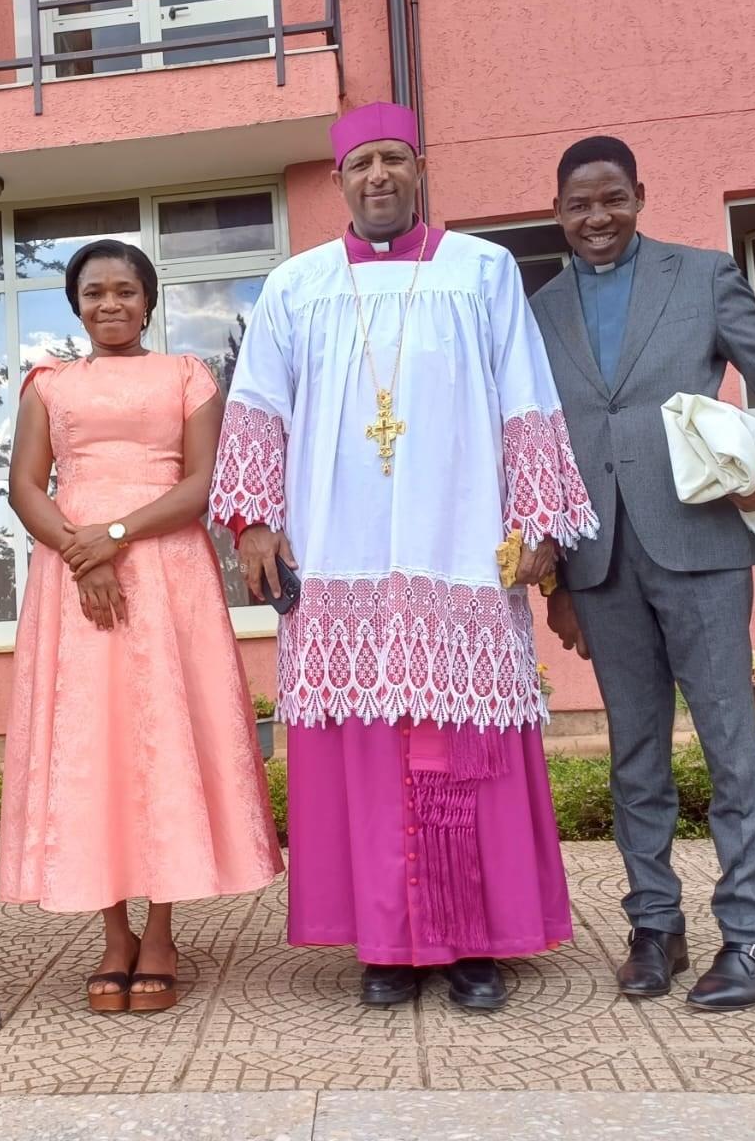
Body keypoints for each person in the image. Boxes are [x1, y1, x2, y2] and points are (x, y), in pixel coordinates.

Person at [210, 103, 598, 1010]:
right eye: (361, 163)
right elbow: (257, 407)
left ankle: (470, 943)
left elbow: (525, 396)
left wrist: (539, 518)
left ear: (419, 168)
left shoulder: (483, 271)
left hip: (456, 545)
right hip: (336, 550)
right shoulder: (296, 284)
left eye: (393, 159)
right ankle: (384, 943)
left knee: (460, 748)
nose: (377, 176)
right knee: (365, 755)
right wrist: (255, 524)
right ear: (339, 180)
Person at [532, 136, 755, 1010]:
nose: (597, 217)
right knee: (635, 756)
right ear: (557, 212)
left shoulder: (702, 278)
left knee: (732, 744)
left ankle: (753, 935)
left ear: (640, 196)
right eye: (579, 204)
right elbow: (534, 442)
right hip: (600, 561)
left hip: (701, 548)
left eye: (612, 199)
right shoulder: (537, 310)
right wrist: (555, 579)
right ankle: (654, 927)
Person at [0, 239, 282, 1013]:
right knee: (91, 743)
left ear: (149, 301)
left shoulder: (188, 376)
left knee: (162, 737)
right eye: (94, 292)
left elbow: (203, 483)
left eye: (125, 290)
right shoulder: (49, 385)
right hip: (72, 576)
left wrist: (115, 538)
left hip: (166, 573)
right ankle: (112, 934)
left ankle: (159, 930)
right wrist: (81, 554)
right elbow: (25, 487)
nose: (110, 304)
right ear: (76, 304)